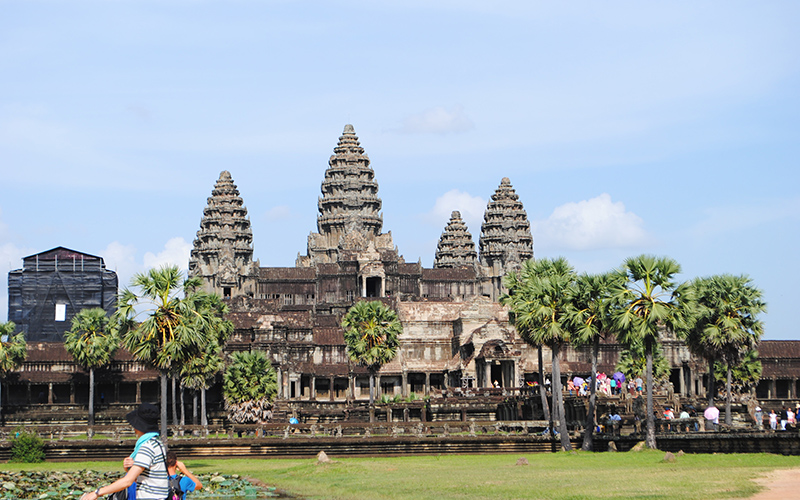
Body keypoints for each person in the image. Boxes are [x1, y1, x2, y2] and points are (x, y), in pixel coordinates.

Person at [80, 402, 168, 500]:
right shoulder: (157, 443)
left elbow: (128, 481)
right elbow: (147, 476)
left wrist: (97, 493)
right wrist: (131, 467)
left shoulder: (147, 446)